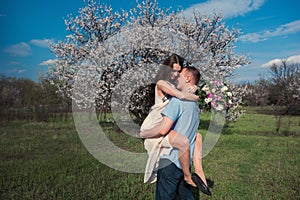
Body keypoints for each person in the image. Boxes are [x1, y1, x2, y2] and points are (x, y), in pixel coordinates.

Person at [140, 54, 211, 195]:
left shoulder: (175, 86)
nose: (175, 75)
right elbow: (181, 96)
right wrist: (202, 96)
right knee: (183, 142)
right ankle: (188, 175)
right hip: (155, 121)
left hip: (164, 120)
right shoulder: (162, 83)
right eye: (173, 71)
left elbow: (182, 94)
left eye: (178, 72)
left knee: (197, 137)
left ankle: (197, 173)